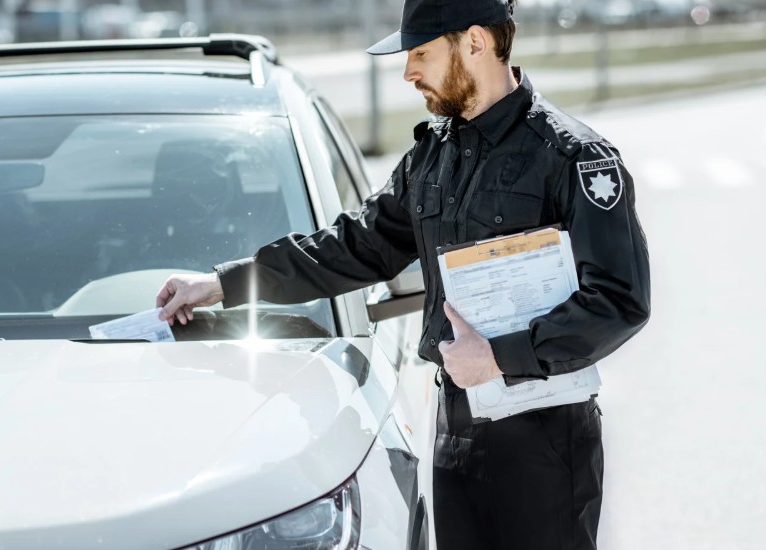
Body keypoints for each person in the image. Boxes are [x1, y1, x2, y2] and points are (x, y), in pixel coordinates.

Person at [156, 0, 651, 547]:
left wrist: (498, 357)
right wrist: (225, 284)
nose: (408, 72)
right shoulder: (433, 156)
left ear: (476, 43)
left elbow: (619, 300)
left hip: (544, 441)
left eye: (421, 53)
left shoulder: (572, 156)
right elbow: (352, 247)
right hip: (455, 434)